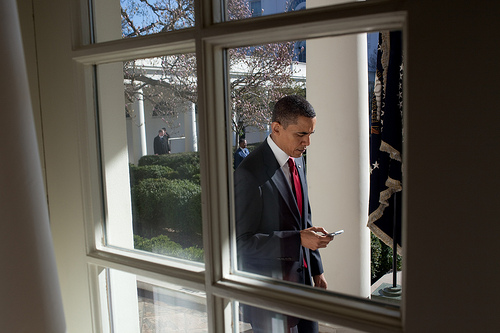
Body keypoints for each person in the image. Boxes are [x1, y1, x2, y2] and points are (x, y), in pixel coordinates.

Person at [234, 95, 335, 333]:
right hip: (270, 295)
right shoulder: (248, 173)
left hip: (304, 285)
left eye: (311, 134)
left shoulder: (297, 160)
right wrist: (297, 239)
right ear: (276, 128)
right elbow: (241, 243)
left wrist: (317, 270)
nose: (307, 142)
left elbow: (304, 220)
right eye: (301, 134)